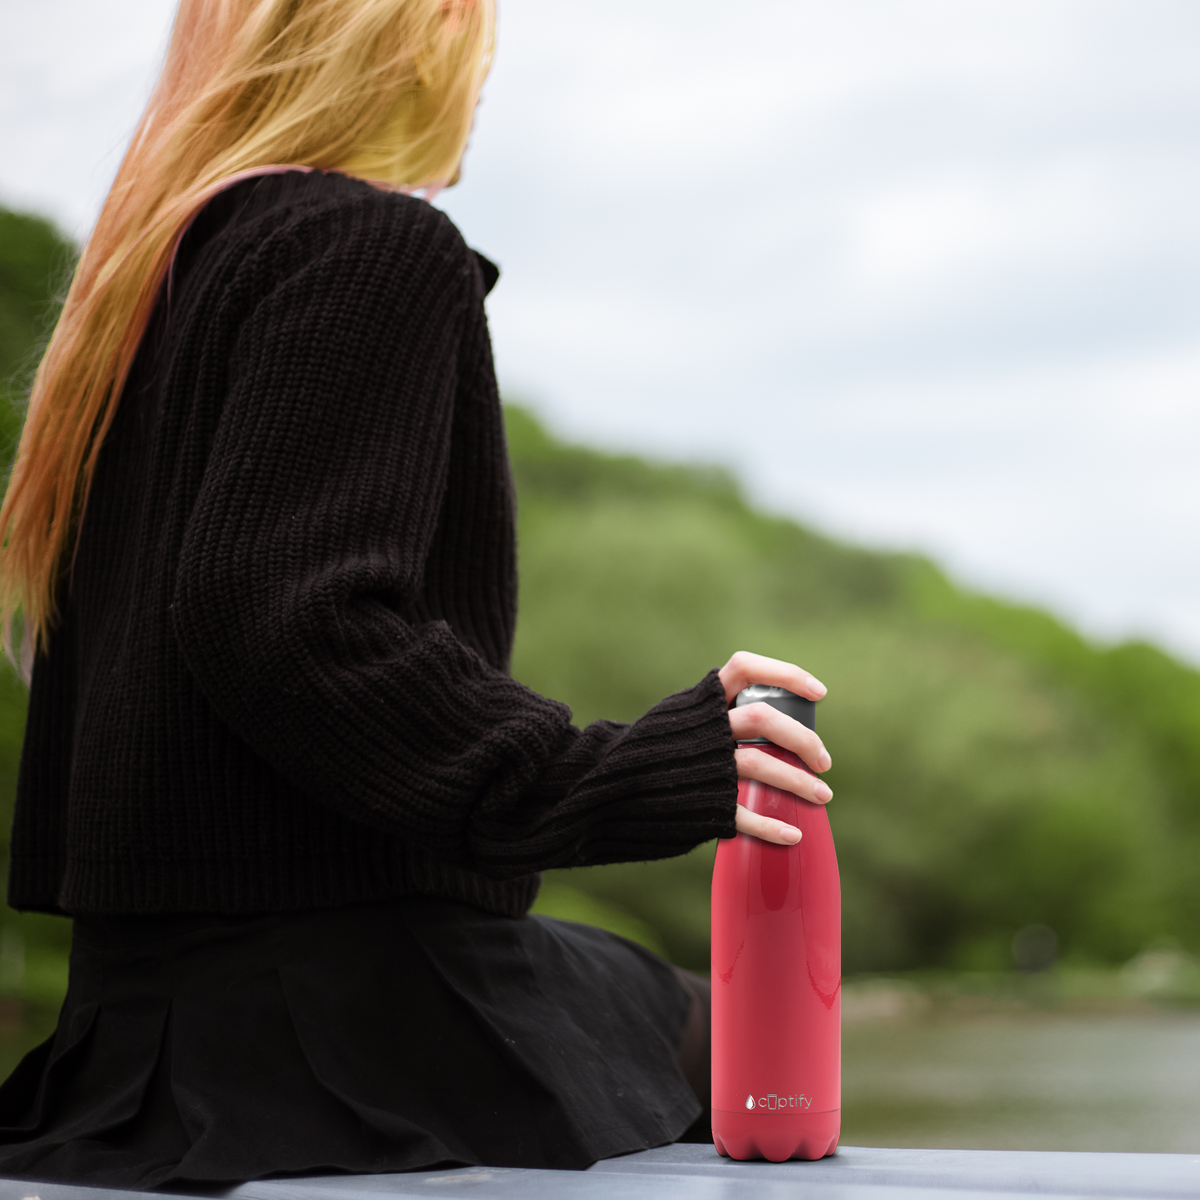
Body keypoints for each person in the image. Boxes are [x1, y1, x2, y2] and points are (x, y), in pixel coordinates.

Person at [0, 0, 833, 1188]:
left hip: (135, 1031)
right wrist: (610, 776)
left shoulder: (139, 292)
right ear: (404, 43)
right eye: (469, 32)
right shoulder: (370, 245)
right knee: (754, 1033)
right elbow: (285, 614)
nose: (483, 74)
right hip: (333, 1030)